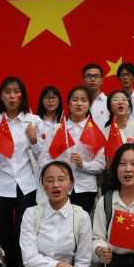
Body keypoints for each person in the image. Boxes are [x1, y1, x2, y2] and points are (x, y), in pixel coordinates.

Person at [0, 76, 43, 267]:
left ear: (22, 95)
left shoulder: (33, 120)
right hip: (0, 183)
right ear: (1, 96)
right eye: (7, 91)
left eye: (16, 91)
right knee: (2, 232)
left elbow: (42, 155)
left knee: (22, 231)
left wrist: (34, 140)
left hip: (26, 183)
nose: (12, 96)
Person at [41, 86, 106, 214]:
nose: (79, 103)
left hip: (85, 188)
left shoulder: (95, 131)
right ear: (69, 103)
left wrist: (83, 165)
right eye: (75, 100)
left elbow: (101, 164)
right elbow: (44, 158)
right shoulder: (57, 129)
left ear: (89, 104)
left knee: (81, 223)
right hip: (59, 187)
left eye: (83, 100)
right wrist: (57, 171)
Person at [83, 63, 110, 129]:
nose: (92, 79)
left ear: (102, 80)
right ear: (84, 80)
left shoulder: (109, 102)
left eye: (96, 76)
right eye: (89, 76)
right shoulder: (78, 103)